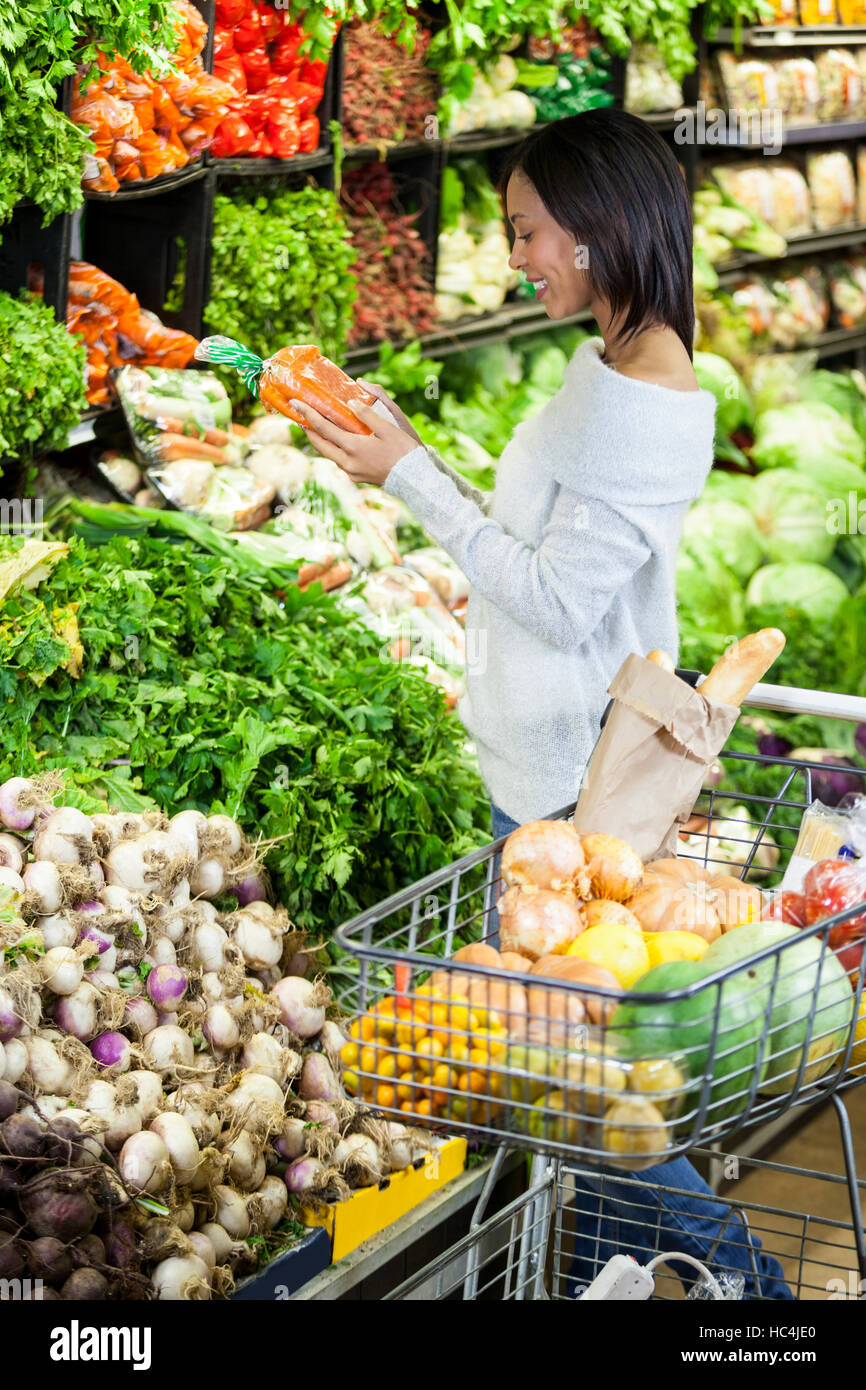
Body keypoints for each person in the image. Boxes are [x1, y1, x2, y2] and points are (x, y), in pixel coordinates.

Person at [289, 108, 792, 1299]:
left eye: (526, 233)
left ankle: (755, 1298)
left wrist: (408, 481)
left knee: (579, 1105)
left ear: (597, 227)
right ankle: (596, 1284)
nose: (516, 257)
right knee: (560, 1099)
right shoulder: (608, 362)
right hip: (535, 771)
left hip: (573, 795)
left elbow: (560, 606)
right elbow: (536, 539)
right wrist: (411, 446)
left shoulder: (651, 402)